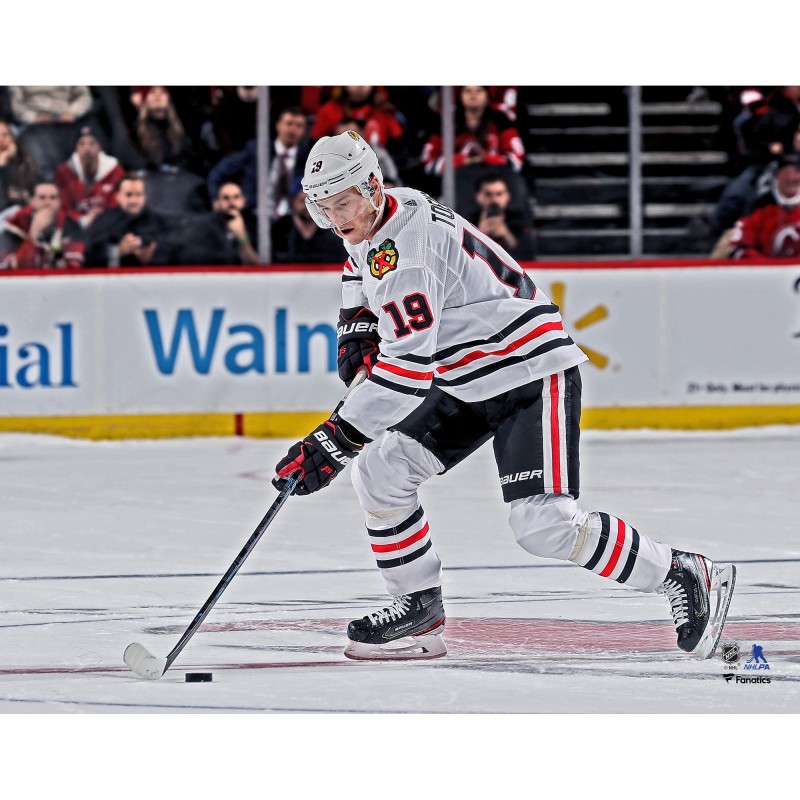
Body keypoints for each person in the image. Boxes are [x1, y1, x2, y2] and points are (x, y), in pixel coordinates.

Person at [271, 130, 737, 662]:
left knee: (543, 526)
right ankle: (419, 610)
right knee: (381, 470)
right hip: (466, 376)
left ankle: (681, 571)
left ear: (373, 187)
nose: (337, 219)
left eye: (344, 204)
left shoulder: (410, 257)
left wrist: (335, 440)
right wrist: (356, 317)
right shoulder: (385, 209)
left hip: (527, 372)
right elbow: (361, 260)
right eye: (324, 208)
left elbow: (406, 371)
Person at [207, 106, 309, 220]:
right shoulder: (256, 150)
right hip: (252, 215)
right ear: (278, 125)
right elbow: (218, 173)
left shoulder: (308, 160)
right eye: (289, 124)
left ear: (304, 131)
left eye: (299, 126)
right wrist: (216, 199)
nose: (293, 130)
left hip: (290, 221)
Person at [421, 85, 526, 177]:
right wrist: (461, 160)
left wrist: (486, 159)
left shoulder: (501, 121)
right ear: (460, 96)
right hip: (456, 180)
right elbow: (429, 162)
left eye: (478, 91)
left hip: (495, 179)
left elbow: (516, 160)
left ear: (487, 96)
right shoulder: (446, 123)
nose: (473, 94)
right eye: (468, 91)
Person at [84, 173, 176, 267]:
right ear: (117, 196)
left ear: (145, 196)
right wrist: (118, 251)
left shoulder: (160, 222)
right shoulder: (103, 221)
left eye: (138, 194)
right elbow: (89, 256)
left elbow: (175, 253)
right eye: (128, 195)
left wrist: (152, 257)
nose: (133, 200)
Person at [726, 153, 800, 258]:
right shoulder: (760, 205)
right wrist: (766, 264)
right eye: (786, 172)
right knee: (725, 239)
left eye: (796, 172)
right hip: (763, 265)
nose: (791, 177)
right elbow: (739, 246)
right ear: (777, 176)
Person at [54, 124, 125, 229]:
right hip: (76, 228)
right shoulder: (64, 172)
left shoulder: (115, 170)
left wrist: (104, 218)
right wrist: (82, 220)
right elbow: (63, 207)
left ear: (100, 147)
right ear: (75, 148)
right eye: (81, 144)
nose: (87, 148)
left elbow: (120, 203)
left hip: (109, 226)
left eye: (92, 143)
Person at [2, 181, 84, 269]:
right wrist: (32, 235)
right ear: (31, 201)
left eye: (53, 198)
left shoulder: (71, 224)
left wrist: (55, 253)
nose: (47, 203)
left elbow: (73, 268)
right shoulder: (15, 225)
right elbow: (10, 268)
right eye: (42, 197)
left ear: (59, 202)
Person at [179, 181, 259, 266]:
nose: (231, 202)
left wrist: (242, 236)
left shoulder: (255, 225)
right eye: (226, 198)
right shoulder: (206, 228)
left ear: (243, 201)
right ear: (216, 204)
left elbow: (259, 266)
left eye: (236, 197)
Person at [467, 173, 536, 260]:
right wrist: (478, 235)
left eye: (499, 194)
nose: (494, 200)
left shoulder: (520, 221)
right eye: (488, 194)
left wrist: (507, 235)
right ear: (479, 197)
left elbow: (529, 255)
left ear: (507, 196)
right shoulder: (468, 222)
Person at [271, 188, 346, 264]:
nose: (308, 207)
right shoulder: (279, 229)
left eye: (312, 202)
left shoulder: (331, 227)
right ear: (293, 202)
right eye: (302, 201)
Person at [0, 120, 37, 215]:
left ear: (12, 138)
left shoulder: (23, 161)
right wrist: (2, 162)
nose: (1, 139)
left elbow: (28, 192)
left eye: (5, 135)